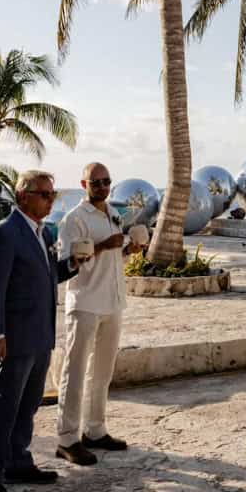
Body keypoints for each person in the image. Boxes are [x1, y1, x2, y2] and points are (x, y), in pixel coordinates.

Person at [0, 170, 81, 492]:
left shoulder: (42, 232)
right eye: (45, 194)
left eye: (53, 195)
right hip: (16, 338)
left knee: (28, 405)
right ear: (23, 196)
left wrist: (73, 264)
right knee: (4, 408)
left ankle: (17, 463)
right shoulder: (4, 233)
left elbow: (48, 276)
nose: (51, 201)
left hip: (41, 336)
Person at [55, 162, 142, 466]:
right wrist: (104, 246)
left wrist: (128, 250)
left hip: (113, 302)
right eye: (96, 183)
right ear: (83, 184)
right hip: (85, 303)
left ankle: (95, 430)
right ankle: (67, 438)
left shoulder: (112, 214)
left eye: (107, 182)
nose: (103, 187)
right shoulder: (73, 220)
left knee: (102, 372)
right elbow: (69, 262)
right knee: (75, 371)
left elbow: (114, 254)